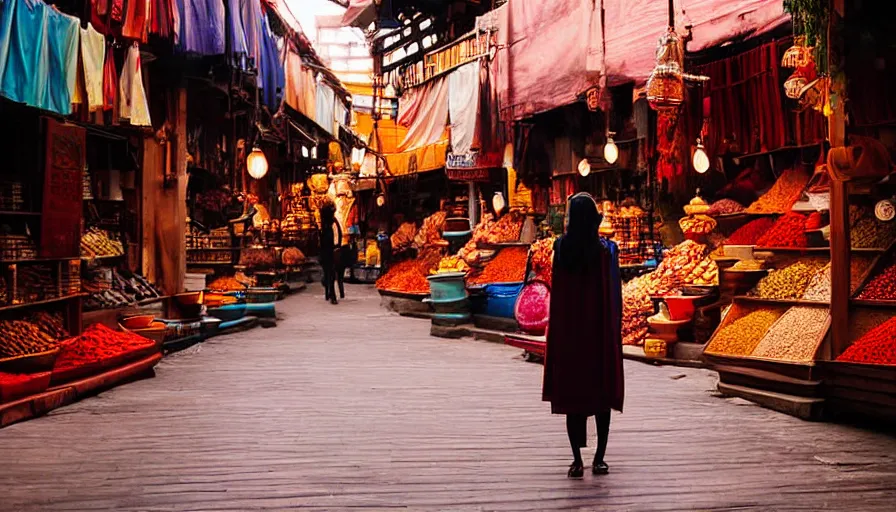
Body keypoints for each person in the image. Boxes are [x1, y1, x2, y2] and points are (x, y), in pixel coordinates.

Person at [542, 192, 624, 479]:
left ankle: (577, 459)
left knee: (572, 396)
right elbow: (615, 292)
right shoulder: (606, 251)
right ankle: (599, 458)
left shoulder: (561, 249)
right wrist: (616, 327)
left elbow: (559, 295)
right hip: (599, 330)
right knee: (601, 394)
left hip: (570, 333)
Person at [319, 202, 342, 305]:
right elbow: (338, 236)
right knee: (330, 273)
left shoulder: (326, 223)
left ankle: (330, 293)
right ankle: (331, 293)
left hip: (328, 250)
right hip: (329, 250)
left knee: (329, 272)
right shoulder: (329, 223)